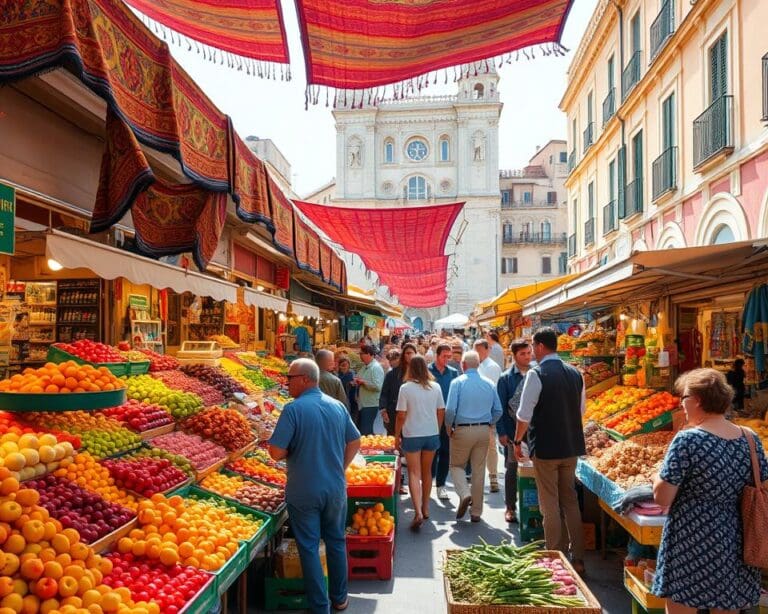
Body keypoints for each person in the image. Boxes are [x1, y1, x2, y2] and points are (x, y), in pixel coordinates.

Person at [651, 368, 768, 612]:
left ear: (697, 401)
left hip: (690, 538)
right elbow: (764, 486)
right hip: (736, 537)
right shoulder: (750, 437)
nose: (681, 405)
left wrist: (655, 479)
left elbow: (663, 497)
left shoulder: (687, 440)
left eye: (683, 398)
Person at [268, 359, 361, 614]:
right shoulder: (338, 407)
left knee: (308, 547)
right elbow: (355, 441)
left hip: (304, 489)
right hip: (334, 487)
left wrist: (290, 448)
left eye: (290, 378)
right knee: (336, 541)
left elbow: (275, 452)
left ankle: (320, 607)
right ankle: (340, 599)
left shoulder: (293, 410)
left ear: (305, 379)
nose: (287, 383)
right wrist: (339, 468)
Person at [513, 327, 586, 573]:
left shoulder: (537, 374)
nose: (532, 351)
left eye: (533, 346)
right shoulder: (576, 373)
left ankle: (556, 556)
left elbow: (524, 415)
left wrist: (517, 441)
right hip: (571, 446)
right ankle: (578, 557)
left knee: (550, 502)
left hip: (545, 447)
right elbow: (581, 410)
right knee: (570, 500)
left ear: (541, 346)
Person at [445, 351, 502, 522]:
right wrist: (490, 423)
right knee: (478, 470)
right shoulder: (489, 383)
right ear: (478, 364)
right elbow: (498, 410)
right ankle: (476, 511)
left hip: (462, 429)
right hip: (484, 430)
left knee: (456, 465)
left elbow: (450, 410)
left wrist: (449, 426)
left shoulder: (457, 383)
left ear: (463, 365)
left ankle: (464, 493)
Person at [395, 355, 445, 530]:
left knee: (414, 474)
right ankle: (426, 507)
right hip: (431, 434)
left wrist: (396, 436)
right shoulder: (436, 387)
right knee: (427, 473)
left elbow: (401, 415)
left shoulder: (405, 388)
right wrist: (436, 429)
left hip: (412, 434)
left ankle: (416, 511)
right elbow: (441, 411)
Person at [496, 340, 533, 523]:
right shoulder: (506, 378)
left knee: (535, 470)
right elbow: (500, 408)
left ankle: (535, 507)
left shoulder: (537, 373)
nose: (527, 357)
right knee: (511, 469)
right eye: (523, 354)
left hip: (535, 432)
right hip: (513, 433)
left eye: (528, 352)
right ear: (514, 356)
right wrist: (501, 432)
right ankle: (510, 507)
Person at [429, 343, 459, 501]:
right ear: (437, 355)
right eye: (444, 356)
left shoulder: (453, 373)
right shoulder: (427, 371)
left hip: (448, 419)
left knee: (446, 452)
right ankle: (428, 480)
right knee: (430, 452)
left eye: (449, 356)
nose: (447, 359)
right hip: (429, 417)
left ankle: (441, 485)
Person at [474, 339, 502, 493]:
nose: (477, 353)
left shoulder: (491, 367)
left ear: (487, 350)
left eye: (479, 350)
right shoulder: (476, 365)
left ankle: (493, 478)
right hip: (476, 413)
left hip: (487, 413)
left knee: (490, 446)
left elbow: (491, 392)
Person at [355, 345, 385, 435]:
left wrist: (363, 382)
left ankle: (370, 448)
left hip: (370, 404)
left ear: (369, 354)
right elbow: (358, 377)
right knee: (363, 429)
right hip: (363, 403)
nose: (360, 356)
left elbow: (378, 386)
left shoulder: (375, 368)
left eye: (362, 353)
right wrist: (355, 381)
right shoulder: (365, 366)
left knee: (366, 431)